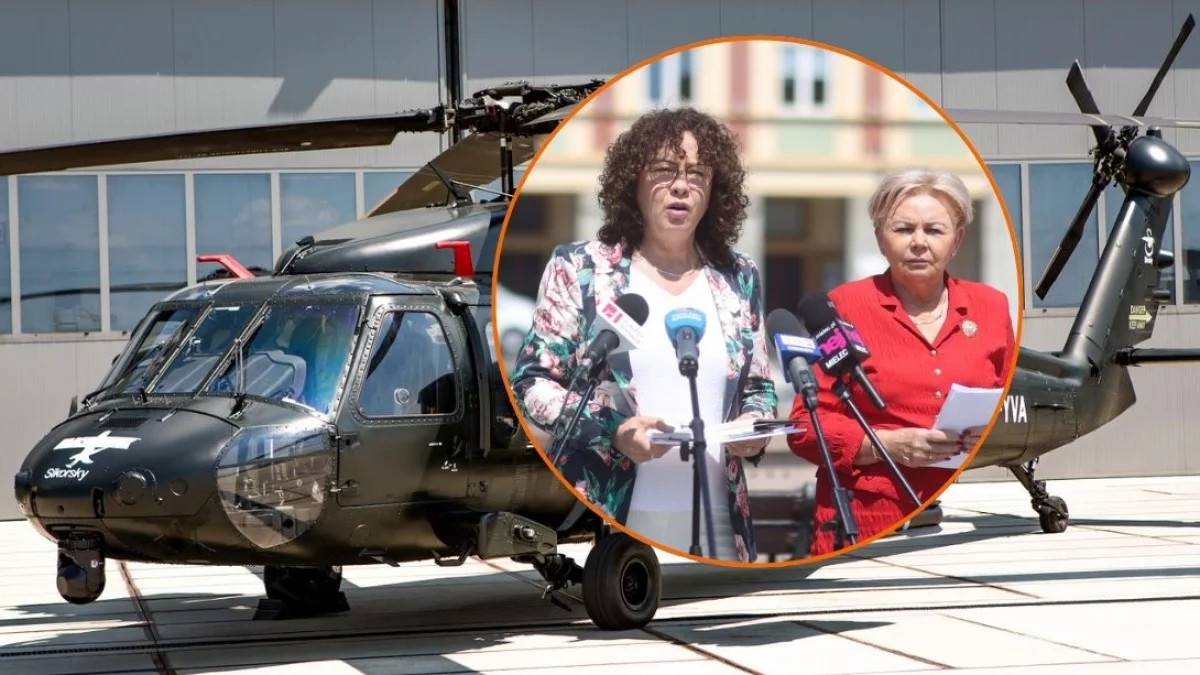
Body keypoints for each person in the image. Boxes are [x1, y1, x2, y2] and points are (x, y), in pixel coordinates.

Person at [507, 107, 777, 563]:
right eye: (664, 171)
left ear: (715, 191)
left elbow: (758, 388)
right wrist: (614, 431)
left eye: (698, 174)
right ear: (632, 181)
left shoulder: (738, 276)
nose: (681, 186)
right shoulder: (582, 269)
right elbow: (533, 383)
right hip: (609, 518)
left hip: (719, 522)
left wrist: (755, 426)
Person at [786, 167, 1016, 557]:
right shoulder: (843, 307)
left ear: (957, 240)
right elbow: (804, 426)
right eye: (904, 229)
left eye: (934, 230)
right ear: (880, 238)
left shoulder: (991, 306)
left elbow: (1012, 403)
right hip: (867, 518)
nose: (919, 242)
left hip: (970, 515)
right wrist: (885, 446)